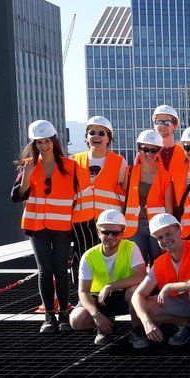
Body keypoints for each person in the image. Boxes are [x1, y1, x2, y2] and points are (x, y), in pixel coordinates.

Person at [11, 120, 92, 333]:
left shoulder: (70, 166)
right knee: (44, 271)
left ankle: (63, 313)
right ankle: (49, 315)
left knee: (60, 270)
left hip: (62, 226)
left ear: (54, 141)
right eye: (39, 142)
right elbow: (17, 196)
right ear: (34, 143)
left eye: (47, 141)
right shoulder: (28, 165)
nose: (43, 145)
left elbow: (81, 196)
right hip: (37, 226)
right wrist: (27, 176)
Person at [131, 213, 190, 353]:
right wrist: (146, 322)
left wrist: (168, 287)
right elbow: (137, 296)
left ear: (179, 231)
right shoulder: (160, 263)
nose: (165, 240)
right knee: (144, 306)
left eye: (168, 234)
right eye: (159, 237)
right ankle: (189, 324)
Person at [69, 209, 146, 345]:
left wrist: (111, 286)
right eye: (105, 232)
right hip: (99, 299)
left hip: (123, 296)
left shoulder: (131, 248)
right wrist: (96, 315)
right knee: (77, 320)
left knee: (135, 291)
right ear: (98, 233)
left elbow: (141, 275)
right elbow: (83, 291)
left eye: (115, 232)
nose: (110, 236)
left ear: (122, 233)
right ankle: (104, 325)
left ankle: (137, 330)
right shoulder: (89, 256)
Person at [70, 116, 127, 279]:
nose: (96, 136)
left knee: (109, 259)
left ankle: (109, 295)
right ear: (86, 137)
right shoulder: (75, 160)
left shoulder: (119, 162)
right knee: (84, 258)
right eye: (92, 132)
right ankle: (83, 296)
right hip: (82, 221)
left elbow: (126, 191)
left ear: (108, 138)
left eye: (101, 133)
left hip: (109, 221)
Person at [123, 130, 175, 264]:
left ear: (159, 151)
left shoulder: (165, 176)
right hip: (134, 226)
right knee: (136, 264)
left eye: (153, 150)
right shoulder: (129, 172)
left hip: (158, 226)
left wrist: (168, 231)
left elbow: (169, 209)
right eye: (145, 149)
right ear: (139, 149)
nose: (149, 154)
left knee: (159, 263)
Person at [151, 104, 184, 172]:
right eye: (159, 122)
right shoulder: (144, 153)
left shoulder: (185, 153)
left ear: (175, 125)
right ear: (154, 126)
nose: (163, 126)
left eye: (167, 122)